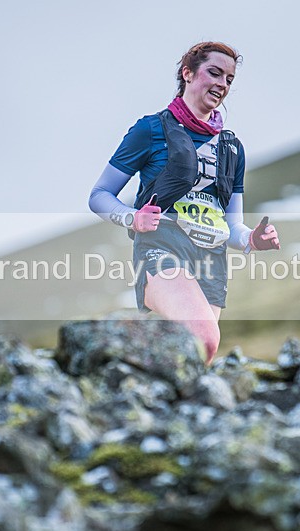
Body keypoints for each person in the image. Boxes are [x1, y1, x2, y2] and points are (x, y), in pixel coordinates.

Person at [88, 41, 280, 364]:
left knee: (192, 359)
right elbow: (99, 196)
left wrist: (251, 239)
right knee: (203, 338)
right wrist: (132, 218)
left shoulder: (232, 148)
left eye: (229, 79)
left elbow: (231, 224)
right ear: (187, 73)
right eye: (215, 73)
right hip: (162, 249)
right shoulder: (150, 130)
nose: (222, 84)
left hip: (211, 261)